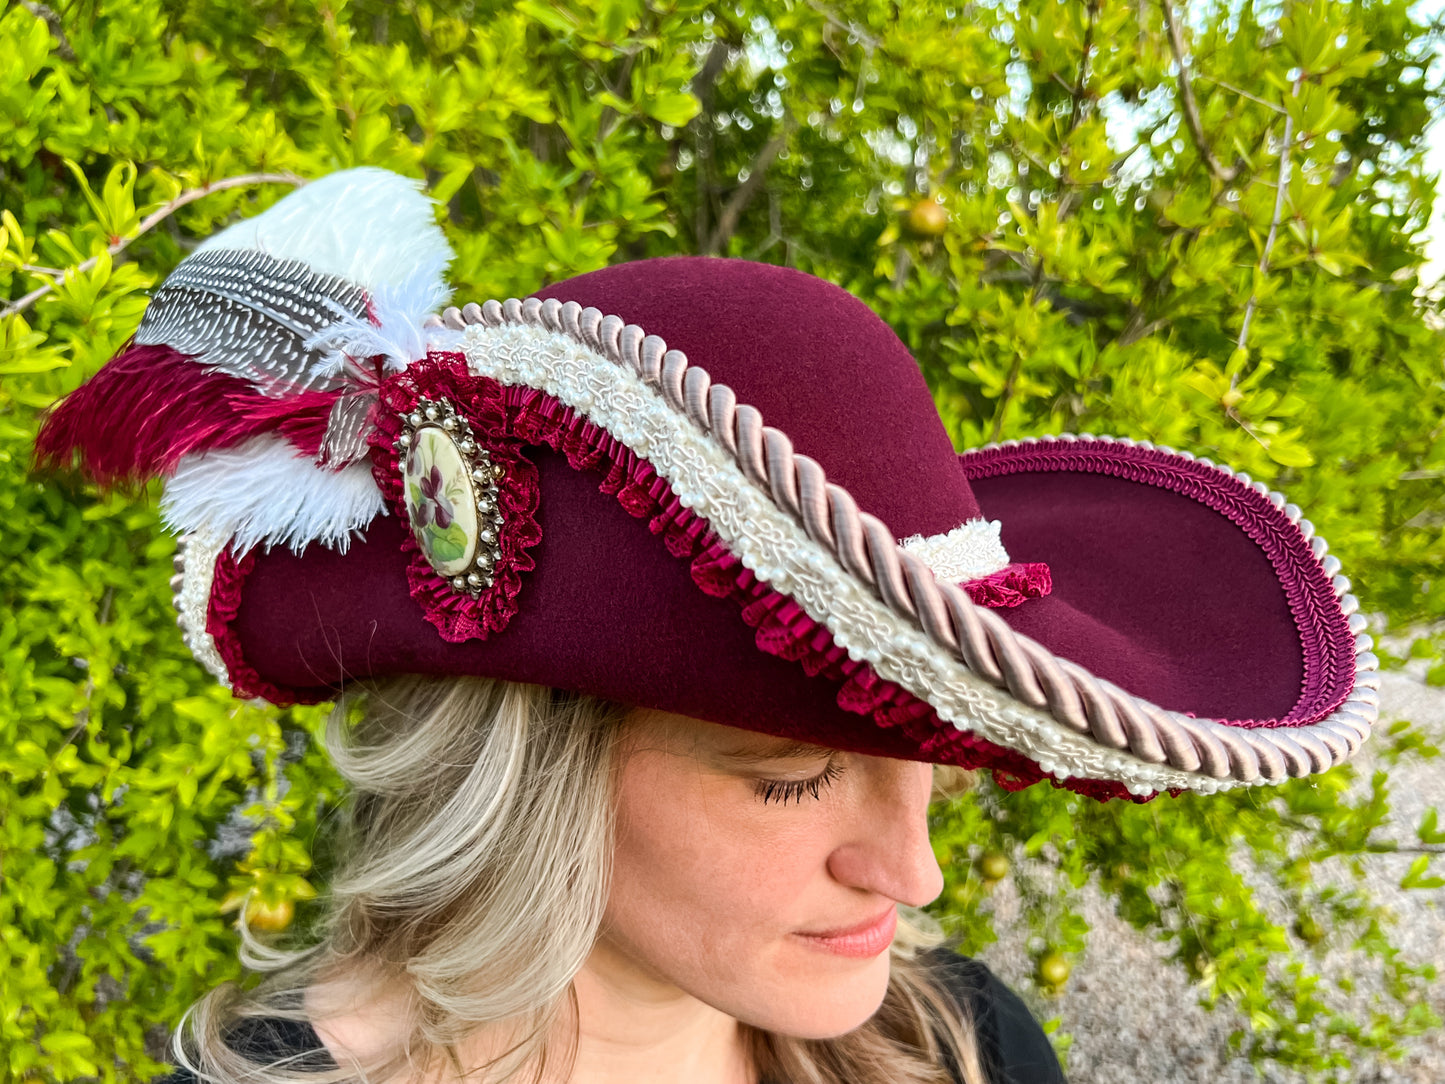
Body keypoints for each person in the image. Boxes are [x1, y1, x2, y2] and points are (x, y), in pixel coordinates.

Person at [37, 168, 1375, 1083]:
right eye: (788, 777)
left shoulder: (958, 1046)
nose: (913, 880)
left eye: (938, 774)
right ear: (525, 774)